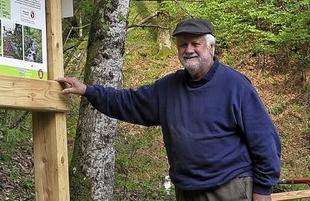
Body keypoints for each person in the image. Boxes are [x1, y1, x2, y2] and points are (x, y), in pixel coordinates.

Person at [57, 18, 281, 201]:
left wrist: (263, 190)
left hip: (229, 188)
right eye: (183, 44)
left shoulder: (235, 86)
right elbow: (128, 102)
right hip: (186, 189)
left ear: (211, 47)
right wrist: (87, 90)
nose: (189, 50)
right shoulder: (168, 88)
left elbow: (265, 140)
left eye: (196, 43)